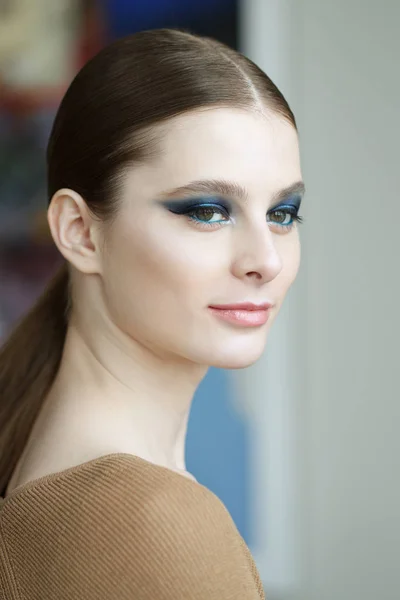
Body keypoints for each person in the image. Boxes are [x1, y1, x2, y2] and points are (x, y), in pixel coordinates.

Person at [0, 28, 305, 599]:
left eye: (283, 213)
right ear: (79, 232)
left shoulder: (53, 474)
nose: (265, 260)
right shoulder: (153, 523)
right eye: (209, 211)